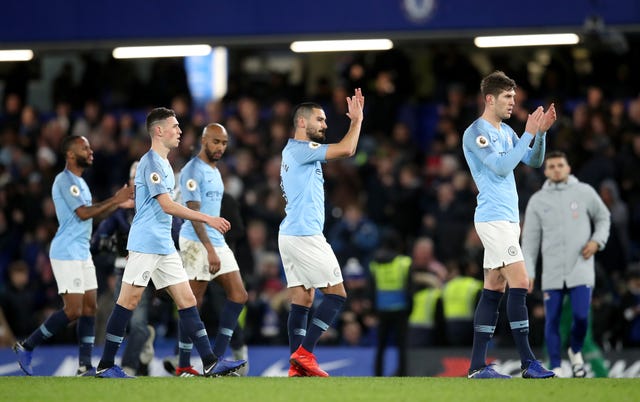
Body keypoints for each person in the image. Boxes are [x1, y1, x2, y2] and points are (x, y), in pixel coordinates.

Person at [93, 107, 245, 378]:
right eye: (175, 127)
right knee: (128, 302)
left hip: (163, 244)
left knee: (187, 300)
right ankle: (105, 365)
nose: (180, 131)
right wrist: (207, 218)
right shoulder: (150, 162)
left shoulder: (163, 163)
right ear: (159, 131)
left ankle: (209, 361)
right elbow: (166, 205)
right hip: (146, 244)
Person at [461, 70, 556, 379]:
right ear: (490, 98)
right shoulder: (477, 132)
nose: (513, 102)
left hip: (508, 219)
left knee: (494, 287)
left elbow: (533, 161)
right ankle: (528, 362)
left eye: (514, 97)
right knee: (521, 281)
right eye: (508, 97)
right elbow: (502, 167)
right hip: (493, 218)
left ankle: (477, 366)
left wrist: (539, 134)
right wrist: (527, 132)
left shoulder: (506, 131)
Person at [13, 135, 134, 376]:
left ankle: (84, 365)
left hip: (81, 250)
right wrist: (115, 199)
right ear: (70, 154)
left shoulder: (81, 183)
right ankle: (26, 346)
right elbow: (83, 213)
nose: (91, 151)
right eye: (85, 147)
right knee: (74, 310)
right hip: (66, 251)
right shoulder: (64, 180)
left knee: (90, 307)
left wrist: (116, 205)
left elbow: (93, 213)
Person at [279, 88, 364, 377]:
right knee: (337, 294)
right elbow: (348, 149)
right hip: (304, 235)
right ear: (302, 122)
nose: (325, 125)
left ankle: (295, 366)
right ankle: (305, 353)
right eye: (320, 120)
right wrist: (357, 121)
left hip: (291, 234)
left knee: (302, 299)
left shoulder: (295, 152)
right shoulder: (302, 150)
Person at [522, 151, 610, 377]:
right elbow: (530, 241)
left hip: (580, 269)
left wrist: (597, 241)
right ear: (546, 171)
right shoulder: (538, 200)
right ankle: (556, 366)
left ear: (568, 168)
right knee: (552, 321)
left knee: (581, 318)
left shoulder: (584, 192)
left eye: (560, 165)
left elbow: (603, 217)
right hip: (552, 272)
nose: (556, 169)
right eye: (551, 166)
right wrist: (529, 272)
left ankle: (575, 351)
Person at [171, 123, 249, 377]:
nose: (220, 148)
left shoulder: (215, 170)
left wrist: (215, 247)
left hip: (216, 241)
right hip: (196, 241)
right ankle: (184, 364)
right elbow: (193, 214)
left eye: (224, 143)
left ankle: (216, 359)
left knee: (239, 295)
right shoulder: (193, 169)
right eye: (216, 142)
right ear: (204, 140)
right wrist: (209, 250)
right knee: (192, 302)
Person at [91, 161, 156, 376]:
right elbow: (97, 243)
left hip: (154, 271)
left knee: (136, 323)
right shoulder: (119, 213)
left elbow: (174, 234)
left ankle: (128, 366)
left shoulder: (157, 206)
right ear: (128, 182)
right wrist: (113, 249)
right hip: (124, 271)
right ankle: (138, 354)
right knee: (129, 322)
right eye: (135, 180)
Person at [369, 230, 412, 376]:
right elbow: (410, 288)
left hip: (381, 309)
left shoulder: (375, 263)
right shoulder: (404, 262)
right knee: (401, 346)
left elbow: (371, 288)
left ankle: (378, 374)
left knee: (380, 346)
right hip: (400, 308)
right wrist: (410, 308)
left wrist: (372, 310)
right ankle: (403, 373)